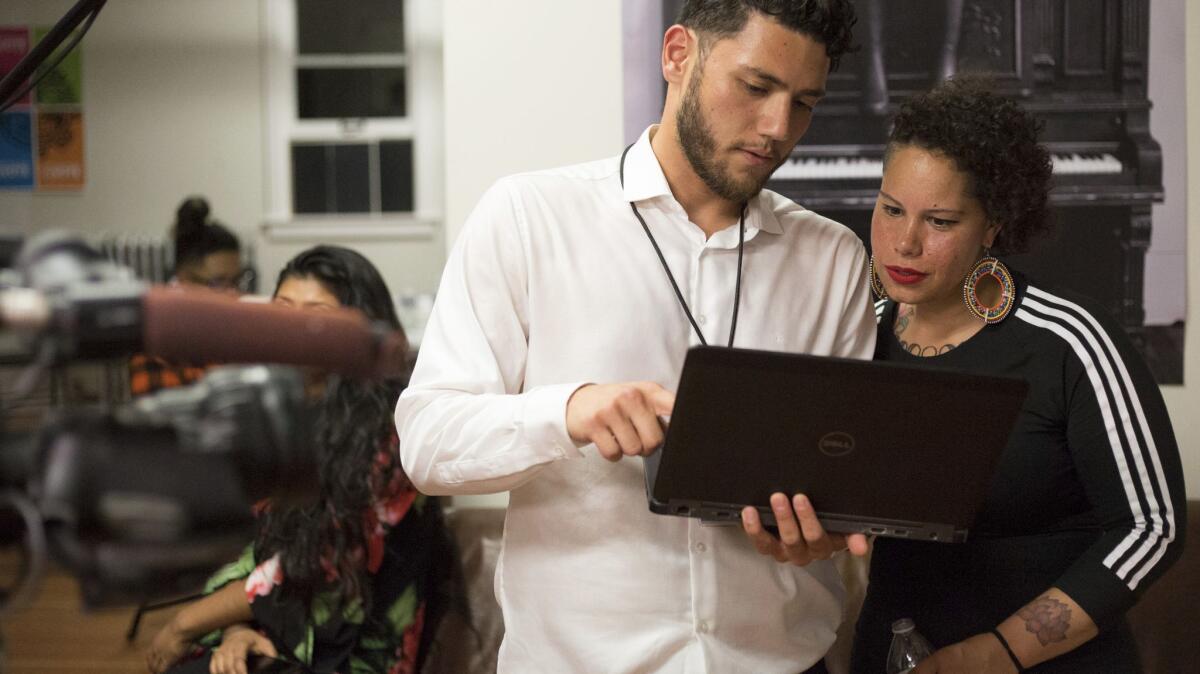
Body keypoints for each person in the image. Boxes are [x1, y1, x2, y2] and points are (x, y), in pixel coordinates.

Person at [394, 1, 876, 672]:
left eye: (804, 103)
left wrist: (820, 532)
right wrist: (567, 412)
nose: (777, 128)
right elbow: (427, 443)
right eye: (756, 87)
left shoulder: (834, 260)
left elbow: (841, 477)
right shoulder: (529, 217)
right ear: (677, 54)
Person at [842, 78, 1185, 673]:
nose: (904, 242)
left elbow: (1153, 527)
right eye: (891, 208)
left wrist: (999, 652)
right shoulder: (852, 339)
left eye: (940, 221)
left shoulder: (1070, 339)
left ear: (993, 225)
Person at [146, 246, 452, 674]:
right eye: (282, 310)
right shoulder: (284, 412)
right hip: (290, 626)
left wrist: (185, 623)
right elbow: (259, 548)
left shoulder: (391, 431)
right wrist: (236, 630)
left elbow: (309, 568)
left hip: (352, 651)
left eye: (316, 315)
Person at [129, 197, 246, 396]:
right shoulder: (155, 344)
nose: (233, 293)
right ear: (182, 280)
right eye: (218, 283)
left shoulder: (240, 326)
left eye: (237, 281)